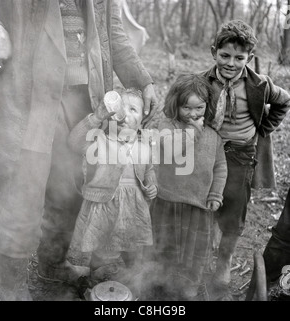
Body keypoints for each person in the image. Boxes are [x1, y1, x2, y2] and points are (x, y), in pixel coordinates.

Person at [0, 0, 158, 301]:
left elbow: (114, 34)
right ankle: (9, 284)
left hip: (85, 99)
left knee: (70, 189)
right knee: (21, 192)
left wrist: (142, 80)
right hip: (28, 99)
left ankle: (53, 268)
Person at [200, 19, 290, 300]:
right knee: (204, 202)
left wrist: (262, 129)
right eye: (224, 55)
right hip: (207, 153)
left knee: (234, 209)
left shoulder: (260, 85)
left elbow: (283, 101)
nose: (230, 62)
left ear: (249, 58)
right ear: (214, 51)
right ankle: (203, 249)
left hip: (241, 154)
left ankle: (224, 261)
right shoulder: (203, 82)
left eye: (239, 58)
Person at [67, 88, 158, 296]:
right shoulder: (100, 140)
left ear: (143, 117)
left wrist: (152, 184)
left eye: (133, 109)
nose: (124, 115)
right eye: (119, 108)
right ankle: (96, 287)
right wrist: (97, 116)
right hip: (104, 205)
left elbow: (149, 170)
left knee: (133, 250)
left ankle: (131, 287)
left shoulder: (144, 145)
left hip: (133, 208)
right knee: (101, 248)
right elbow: (74, 143)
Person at [149, 74, 227, 300]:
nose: (193, 114)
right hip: (167, 202)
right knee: (164, 247)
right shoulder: (168, 126)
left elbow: (220, 167)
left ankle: (189, 285)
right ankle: (158, 282)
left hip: (198, 206)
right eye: (186, 108)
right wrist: (192, 132)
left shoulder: (213, 136)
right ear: (176, 105)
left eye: (199, 108)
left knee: (194, 252)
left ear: (207, 106)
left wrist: (215, 193)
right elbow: (171, 151)